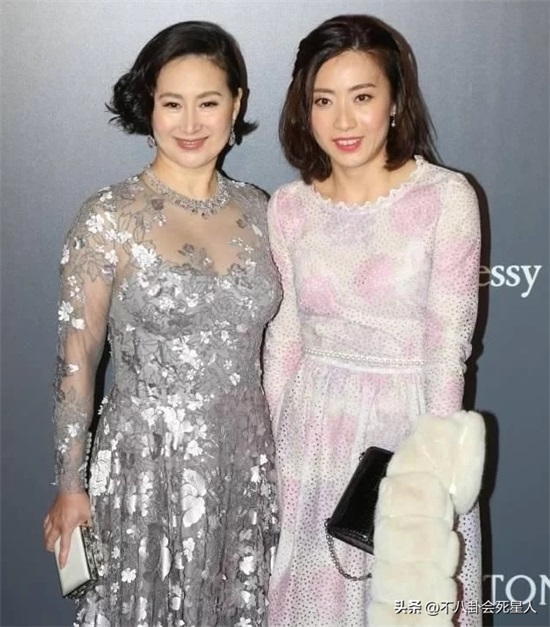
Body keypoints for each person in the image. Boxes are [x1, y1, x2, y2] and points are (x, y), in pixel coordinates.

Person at [43, 21, 280, 626]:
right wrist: (70, 483)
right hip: (146, 466)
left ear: (237, 105)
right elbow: (77, 360)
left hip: (245, 463)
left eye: (209, 102)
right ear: (149, 106)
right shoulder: (108, 217)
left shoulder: (265, 213)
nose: (191, 123)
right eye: (172, 103)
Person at [263, 14, 482, 627]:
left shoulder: (445, 198)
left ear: (395, 101)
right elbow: (285, 338)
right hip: (310, 435)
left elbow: (447, 343)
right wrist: (275, 451)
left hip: (406, 430)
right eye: (323, 100)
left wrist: (432, 470)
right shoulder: (289, 207)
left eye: (362, 97)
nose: (343, 121)